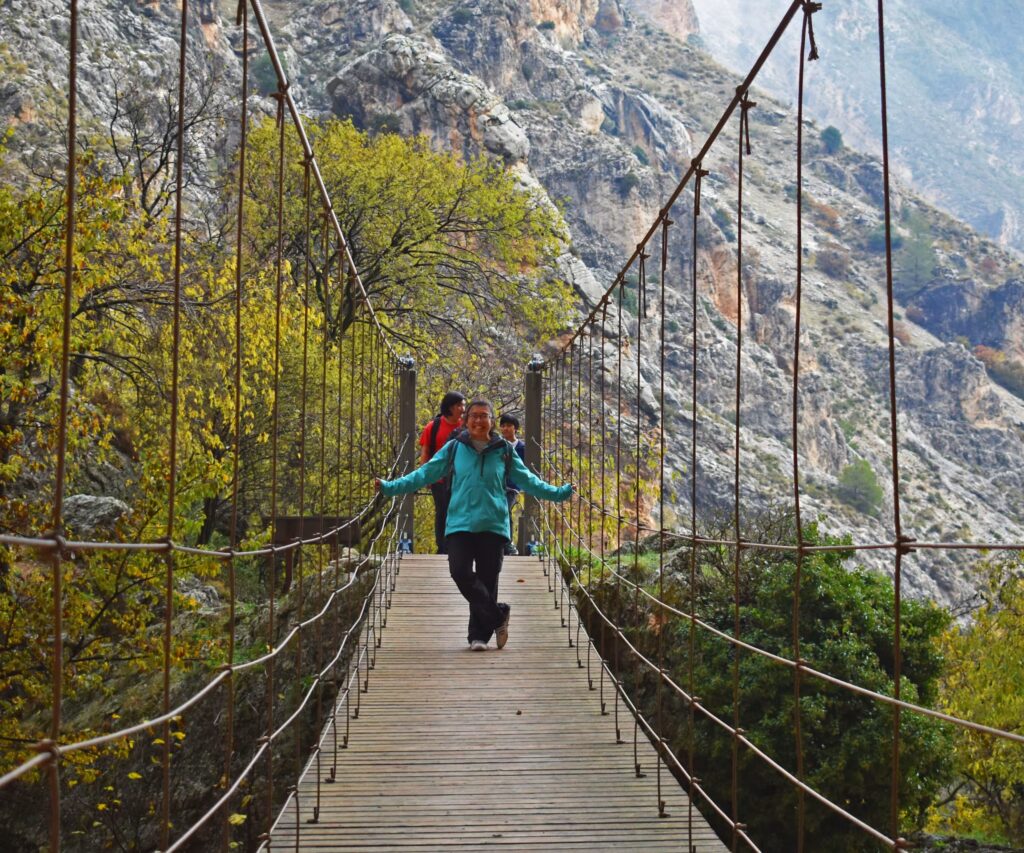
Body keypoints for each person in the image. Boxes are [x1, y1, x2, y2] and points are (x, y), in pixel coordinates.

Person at [376, 398, 572, 651]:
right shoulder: (454, 448)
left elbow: (528, 481)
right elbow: (425, 473)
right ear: (466, 420)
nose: (479, 420)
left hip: (493, 523)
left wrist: (558, 493)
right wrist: (391, 488)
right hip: (460, 522)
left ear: (492, 421)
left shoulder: (504, 450)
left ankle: (478, 637)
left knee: (488, 579)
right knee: (459, 571)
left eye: (484, 416)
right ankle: (498, 616)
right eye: (474, 416)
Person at [419, 392, 466, 554]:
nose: (463, 409)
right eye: (460, 405)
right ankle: (443, 546)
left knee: (461, 511)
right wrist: (424, 476)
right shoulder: (433, 426)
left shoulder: (466, 425)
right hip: (439, 477)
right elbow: (425, 451)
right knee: (442, 511)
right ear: (450, 407)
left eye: (464, 405)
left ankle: (458, 546)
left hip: (461, 478)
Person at [499, 413, 526, 555]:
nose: (505, 429)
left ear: (515, 428)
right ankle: (502, 543)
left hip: (512, 487)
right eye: (502, 426)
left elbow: (524, 469)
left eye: (509, 426)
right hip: (497, 485)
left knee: (505, 510)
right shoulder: (498, 445)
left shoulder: (522, 447)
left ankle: (507, 543)